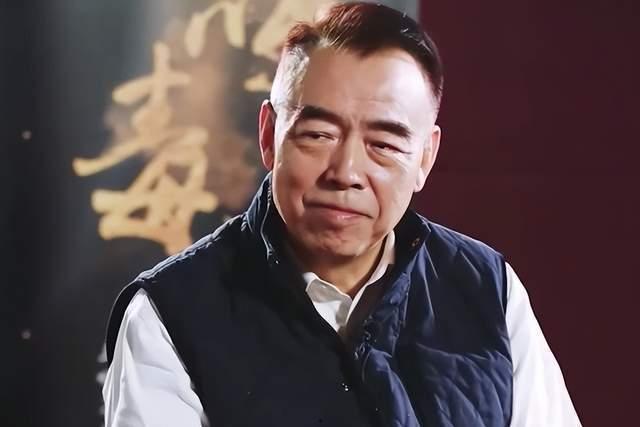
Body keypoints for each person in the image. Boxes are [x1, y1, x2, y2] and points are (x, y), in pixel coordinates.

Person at [102, 3, 581, 426]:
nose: (346, 172)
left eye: (384, 144)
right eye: (318, 135)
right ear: (269, 136)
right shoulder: (170, 313)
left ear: (425, 159)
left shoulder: (487, 288)